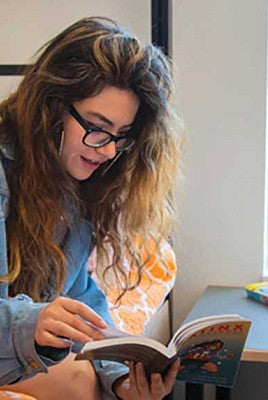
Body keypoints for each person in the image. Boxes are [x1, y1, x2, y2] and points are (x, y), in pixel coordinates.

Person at [0, 16, 183, 400]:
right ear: (52, 108)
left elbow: (80, 293)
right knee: (81, 384)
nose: (107, 150)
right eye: (97, 127)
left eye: (121, 136)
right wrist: (35, 322)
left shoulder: (74, 184)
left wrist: (120, 376)